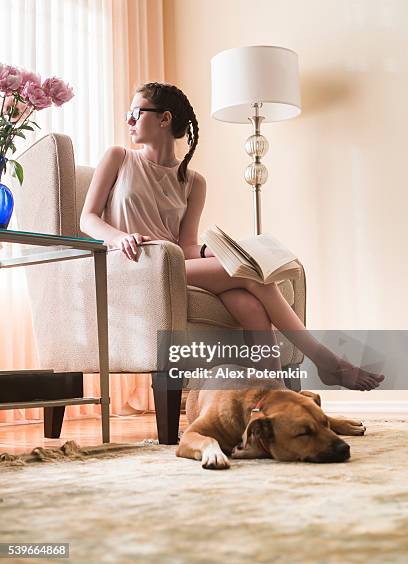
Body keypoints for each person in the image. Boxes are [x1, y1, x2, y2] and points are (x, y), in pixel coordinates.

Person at [80, 81, 384, 393]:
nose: (128, 120)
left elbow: (185, 245)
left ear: (164, 118)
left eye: (135, 112)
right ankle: (327, 361)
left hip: (177, 267)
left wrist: (211, 251)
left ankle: (274, 399)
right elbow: (87, 218)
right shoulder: (119, 157)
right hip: (138, 265)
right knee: (253, 277)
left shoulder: (194, 182)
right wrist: (118, 237)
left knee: (251, 305)